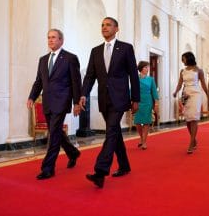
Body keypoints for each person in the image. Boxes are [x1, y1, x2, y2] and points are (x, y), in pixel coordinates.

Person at [78, 17, 140, 188]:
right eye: (102, 25)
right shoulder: (95, 51)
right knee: (115, 133)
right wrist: (84, 94)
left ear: (116, 28)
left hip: (120, 98)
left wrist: (136, 98)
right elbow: (90, 75)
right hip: (104, 99)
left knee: (111, 131)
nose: (104, 27)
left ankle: (100, 171)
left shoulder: (126, 48)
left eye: (108, 25)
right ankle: (124, 165)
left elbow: (133, 75)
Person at [27, 29, 82, 180]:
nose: (50, 40)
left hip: (62, 101)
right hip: (48, 101)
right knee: (56, 131)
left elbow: (76, 82)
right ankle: (73, 152)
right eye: (49, 38)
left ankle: (48, 168)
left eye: (54, 38)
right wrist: (32, 96)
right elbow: (39, 81)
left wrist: (77, 102)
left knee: (53, 134)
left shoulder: (70, 58)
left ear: (61, 40)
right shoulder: (43, 60)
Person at [172, 51, 209, 154]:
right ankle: (194, 139)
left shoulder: (199, 70)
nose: (182, 61)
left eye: (183, 58)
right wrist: (176, 91)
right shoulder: (182, 71)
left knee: (194, 118)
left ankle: (191, 143)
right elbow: (180, 84)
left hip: (196, 94)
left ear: (189, 58)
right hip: (186, 94)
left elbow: (203, 85)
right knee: (188, 120)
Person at [134, 61, 159, 150]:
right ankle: (141, 137)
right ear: (141, 69)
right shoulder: (135, 78)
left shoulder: (151, 79)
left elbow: (154, 92)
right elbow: (132, 90)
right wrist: (131, 101)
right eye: (145, 67)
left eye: (148, 67)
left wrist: (156, 103)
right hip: (138, 101)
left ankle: (144, 142)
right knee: (137, 122)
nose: (147, 69)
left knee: (146, 122)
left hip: (148, 102)